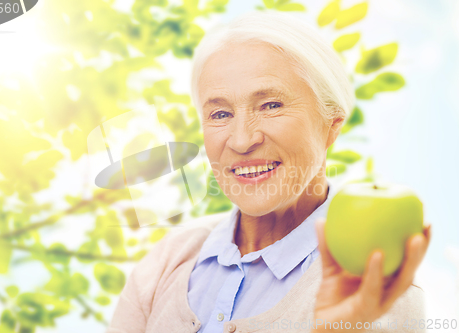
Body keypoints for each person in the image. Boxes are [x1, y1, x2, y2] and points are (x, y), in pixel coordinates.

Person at [106, 10, 431, 333]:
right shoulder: (168, 259)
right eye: (220, 113)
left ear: (331, 125)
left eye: (271, 106)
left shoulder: (376, 294)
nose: (243, 140)